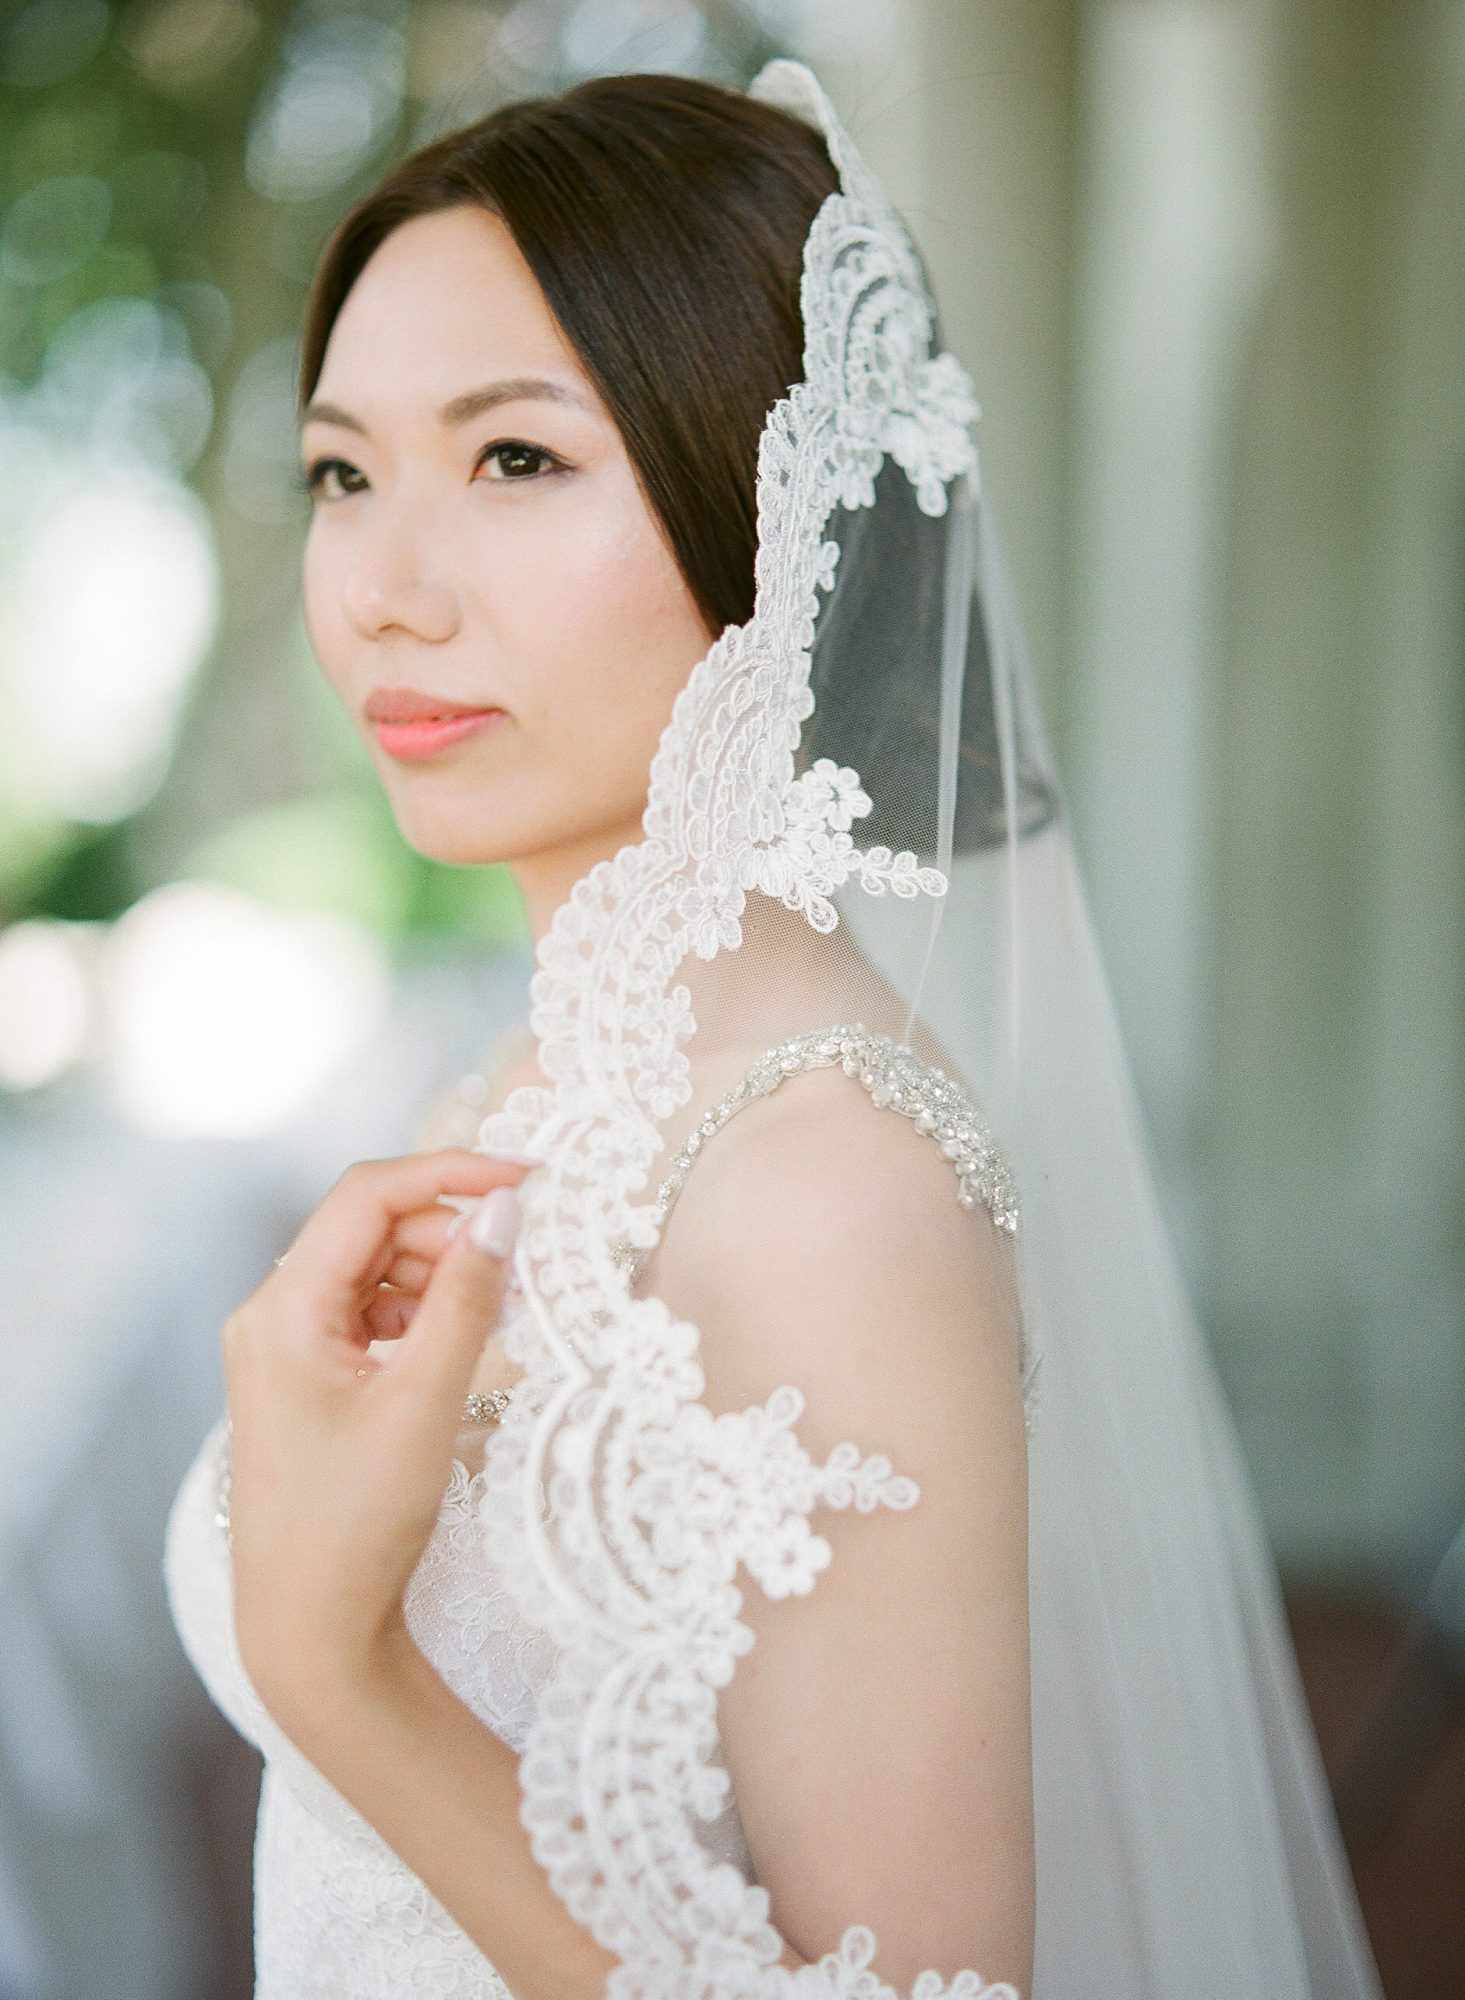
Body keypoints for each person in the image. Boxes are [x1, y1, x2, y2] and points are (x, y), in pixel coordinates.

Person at [163, 59, 1384, 2000]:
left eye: (512, 460)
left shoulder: (823, 1182)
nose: (384, 592)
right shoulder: (521, 1071)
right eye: (340, 471)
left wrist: (342, 1667)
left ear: (773, 512)